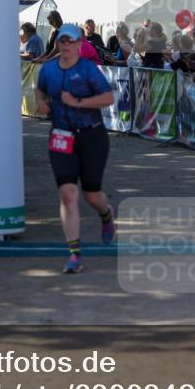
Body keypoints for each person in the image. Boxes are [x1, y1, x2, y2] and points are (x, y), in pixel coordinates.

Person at [34, 24, 116, 274]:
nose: (66, 46)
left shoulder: (88, 69)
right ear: (58, 44)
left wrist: (78, 102)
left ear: (80, 44)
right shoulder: (48, 70)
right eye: (62, 42)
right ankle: (74, 255)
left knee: (91, 195)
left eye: (71, 42)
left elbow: (108, 98)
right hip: (61, 136)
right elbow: (40, 90)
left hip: (91, 135)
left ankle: (106, 214)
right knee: (68, 194)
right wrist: (41, 104)